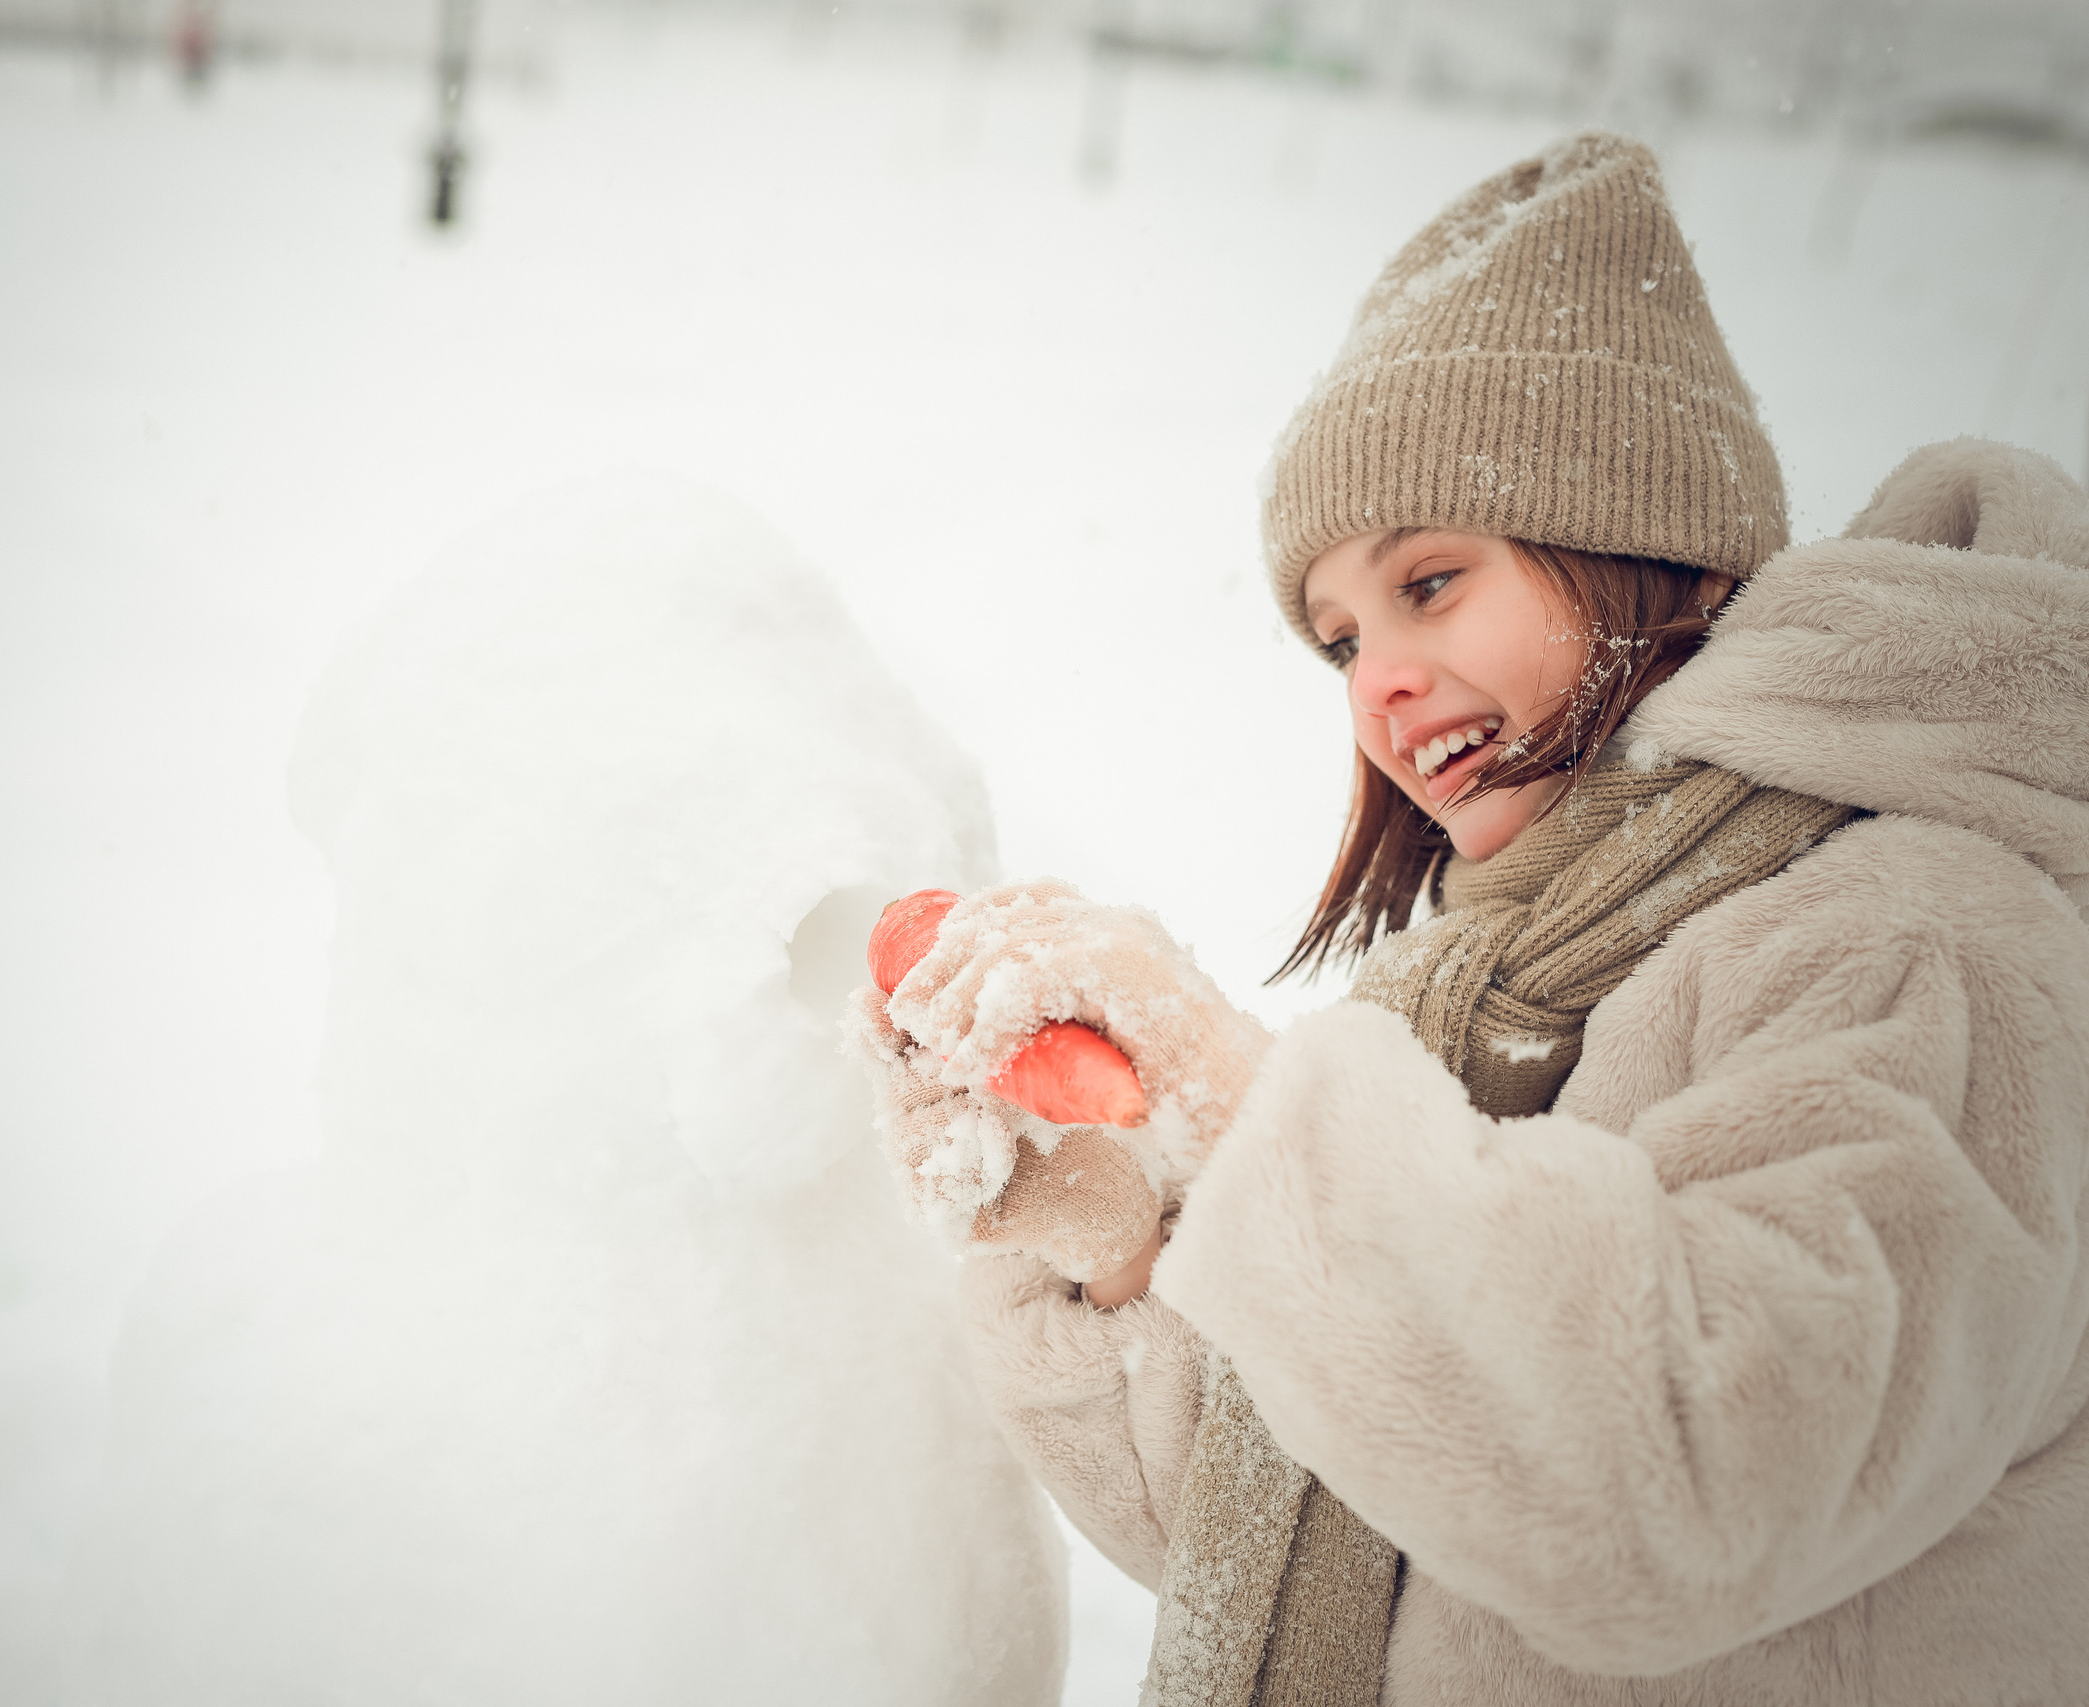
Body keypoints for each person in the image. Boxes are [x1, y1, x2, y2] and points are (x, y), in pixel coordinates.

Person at [849, 131, 2089, 1707]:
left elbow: (1696, 1486)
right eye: (1340, 636)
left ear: (1638, 544)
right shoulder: (1499, 995)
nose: (1377, 680)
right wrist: (1113, 1239)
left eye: (1431, 583)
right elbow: (1335, 1536)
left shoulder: (1920, 937)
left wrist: (1240, 1115)